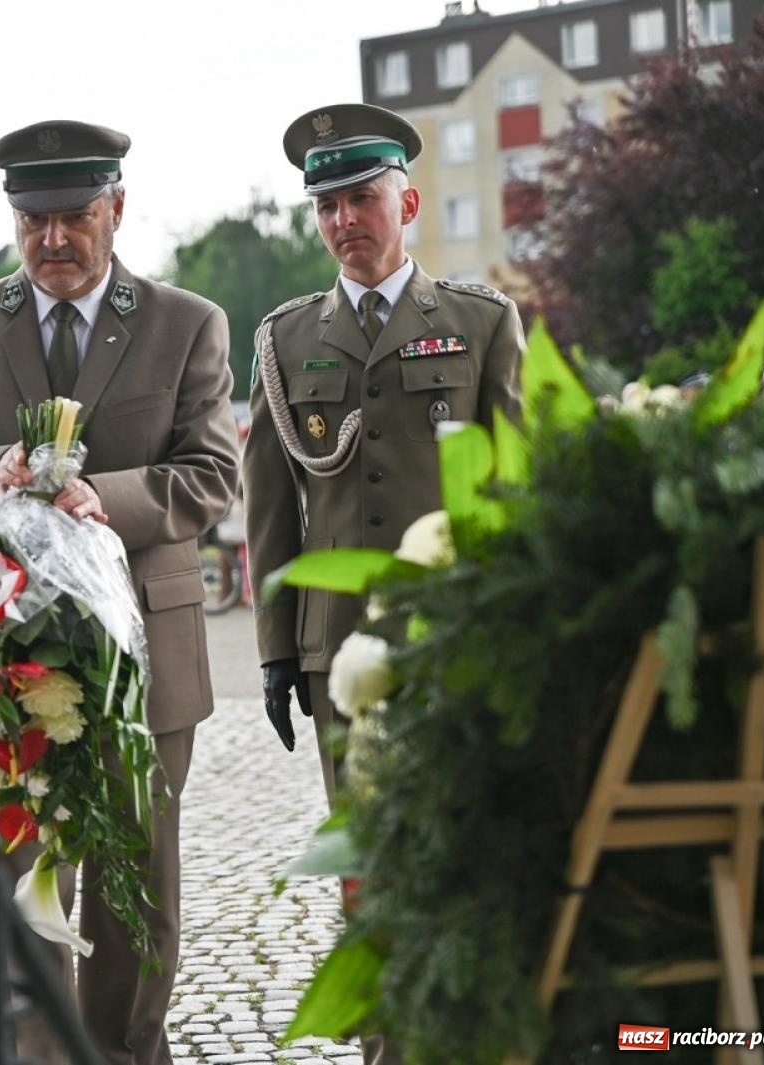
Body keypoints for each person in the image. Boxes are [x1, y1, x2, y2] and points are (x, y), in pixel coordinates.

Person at [0, 121, 240, 1065]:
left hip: (146, 656)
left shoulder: (186, 321)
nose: (53, 239)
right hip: (1, 652)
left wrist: (107, 499)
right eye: (32, 218)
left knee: (138, 872)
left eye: (75, 217)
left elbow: (212, 474)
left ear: (117, 209)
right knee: (13, 876)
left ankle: (123, 1054)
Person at [244, 103, 525, 802]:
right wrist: (279, 650)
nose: (344, 221)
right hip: (337, 637)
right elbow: (270, 508)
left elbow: (516, 484)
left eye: (362, 198)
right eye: (327, 206)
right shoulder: (285, 341)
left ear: (408, 201)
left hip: (453, 621)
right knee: (361, 838)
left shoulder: (481, 322)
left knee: (461, 824)